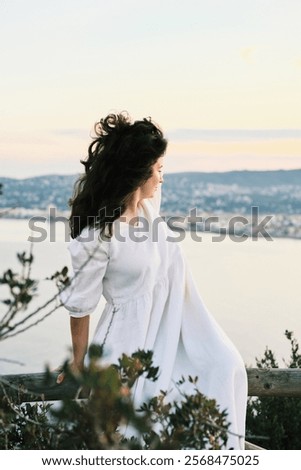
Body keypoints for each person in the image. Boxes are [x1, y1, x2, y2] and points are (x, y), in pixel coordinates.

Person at [58, 112, 248, 449]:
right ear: (138, 172)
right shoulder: (97, 234)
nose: (162, 178)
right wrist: (78, 362)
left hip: (171, 328)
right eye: (158, 169)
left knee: (225, 365)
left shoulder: (148, 208)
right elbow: (80, 306)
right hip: (127, 341)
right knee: (144, 421)